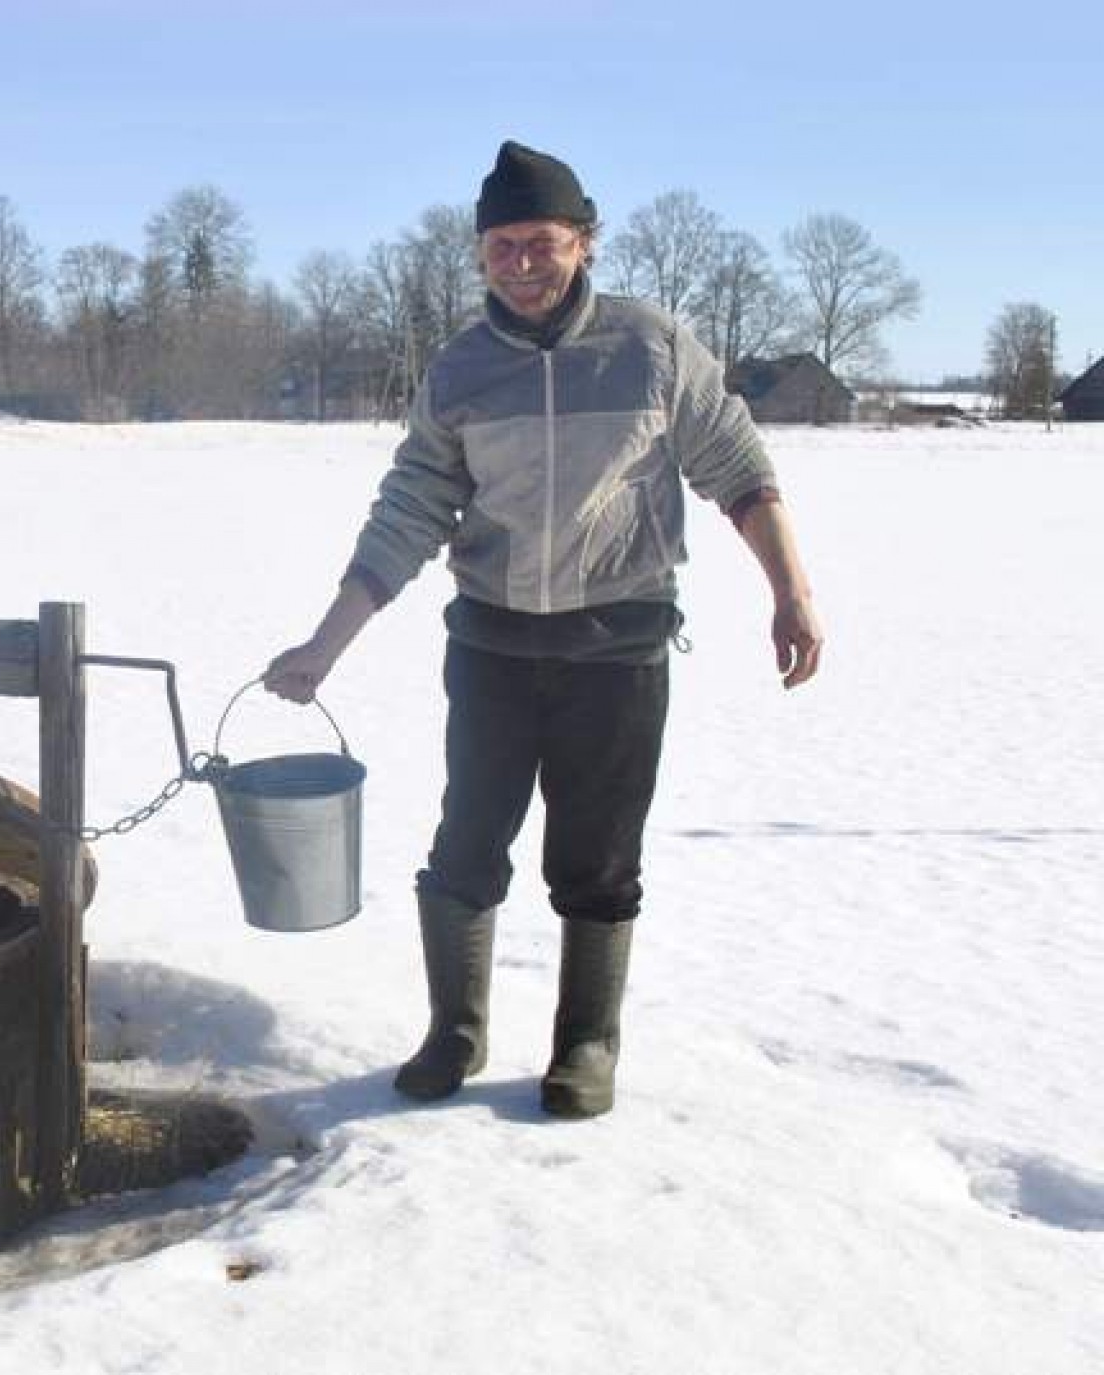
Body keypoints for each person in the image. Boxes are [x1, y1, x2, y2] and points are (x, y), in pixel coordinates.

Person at [265, 141, 823, 1119]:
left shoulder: (649, 347)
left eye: (540, 243)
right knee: (464, 846)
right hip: (491, 647)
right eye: (500, 247)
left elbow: (737, 468)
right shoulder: (460, 371)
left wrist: (789, 591)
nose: (520, 264)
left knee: (596, 857)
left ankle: (584, 1045)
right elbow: (407, 512)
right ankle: (455, 1031)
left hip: (616, 648)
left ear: (584, 243)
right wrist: (323, 645)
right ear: (478, 255)